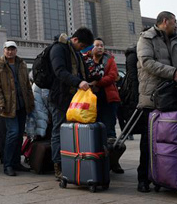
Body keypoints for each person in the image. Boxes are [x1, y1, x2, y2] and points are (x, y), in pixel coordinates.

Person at [136, 11, 177, 192]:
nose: (176, 25)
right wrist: (173, 72)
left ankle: (168, 175)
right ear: (164, 21)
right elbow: (147, 62)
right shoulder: (146, 38)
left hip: (173, 94)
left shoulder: (175, 39)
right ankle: (143, 178)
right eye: (174, 22)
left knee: (171, 139)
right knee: (148, 140)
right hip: (153, 95)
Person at [48, 27, 94, 181]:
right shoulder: (58, 48)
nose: (82, 49)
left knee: (73, 131)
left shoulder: (76, 52)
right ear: (75, 40)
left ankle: (73, 162)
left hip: (74, 98)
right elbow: (59, 71)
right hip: (59, 97)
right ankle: (58, 165)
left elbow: (82, 72)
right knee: (58, 130)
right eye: (82, 46)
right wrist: (78, 82)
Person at [0, 41, 35, 176]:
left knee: (19, 135)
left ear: (16, 51)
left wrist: (31, 102)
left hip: (21, 104)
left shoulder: (21, 64)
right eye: (7, 49)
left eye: (12, 49)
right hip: (7, 105)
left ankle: (16, 162)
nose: (10, 52)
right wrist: (0, 102)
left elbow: (27, 85)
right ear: (4, 50)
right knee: (13, 133)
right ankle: (8, 164)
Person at [83, 38, 122, 173]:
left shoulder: (109, 60)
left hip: (108, 99)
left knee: (110, 131)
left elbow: (112, 76)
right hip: (91, 100)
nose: (99, 48)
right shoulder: (85, 60)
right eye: (97, 45)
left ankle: (114, 161)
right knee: (94, 131)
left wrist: (96, 83)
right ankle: (97, 162)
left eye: (101, 45)